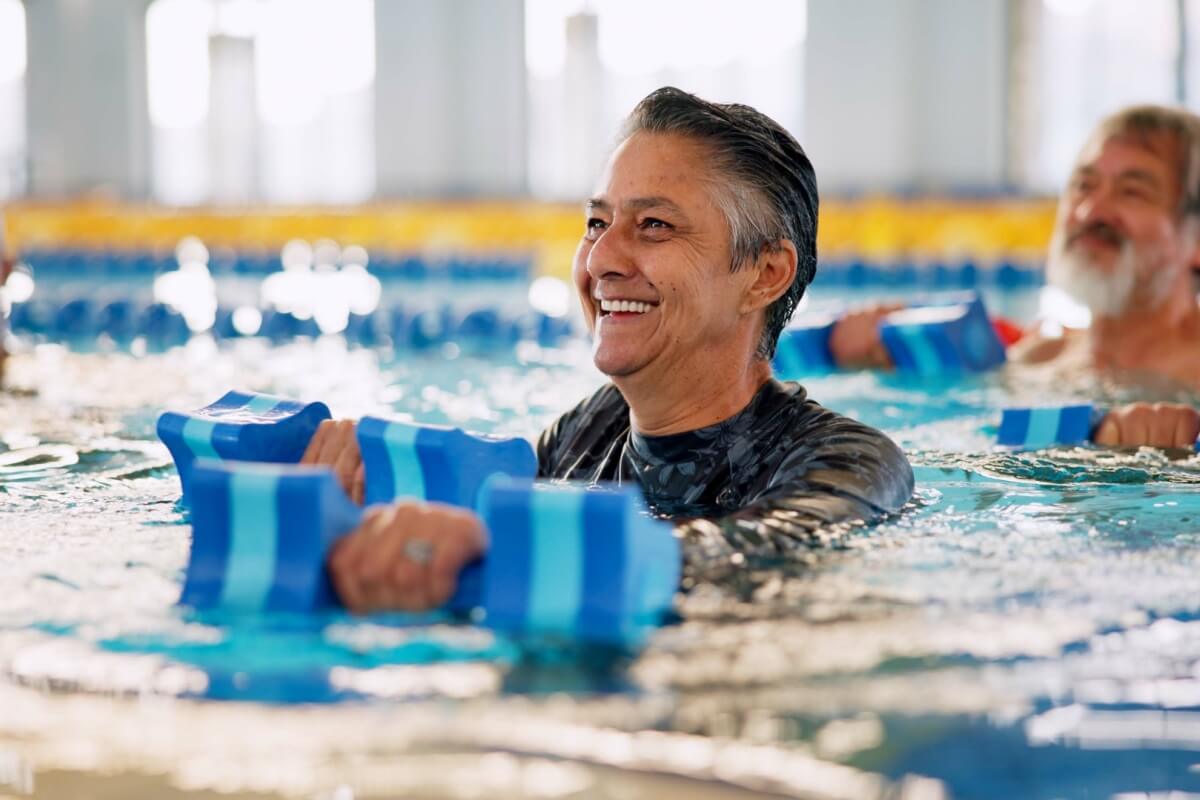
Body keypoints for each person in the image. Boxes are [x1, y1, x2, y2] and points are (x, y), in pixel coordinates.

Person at [307, 87, 915, 614]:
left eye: (653, 226)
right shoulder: (583, 435)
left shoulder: (850, 462)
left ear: (764, 273)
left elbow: (748, 559)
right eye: (597, 223)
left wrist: (495, 540)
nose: (600, 260)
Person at [828, 105, 1200, 450]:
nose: (1090, 211)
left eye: (1132, 192)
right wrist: (884, 358)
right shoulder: (1036, 358)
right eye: (1083, 186)